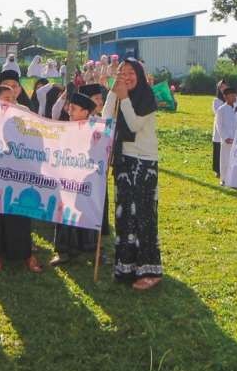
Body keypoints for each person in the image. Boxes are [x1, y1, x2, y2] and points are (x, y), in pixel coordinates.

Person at [105, 58, 162, 290]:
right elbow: (107, 116)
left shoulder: (147, 98)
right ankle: (126, 265)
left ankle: (150, 269)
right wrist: (113, 92)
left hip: (143, 162)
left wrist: (125, 98)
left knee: (143, 215)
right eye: (122, 72)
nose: (126, 77)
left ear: (139, 75)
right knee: (124, 214)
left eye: (131, 73)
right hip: (123, 160)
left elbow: (135, 124)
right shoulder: (119, 95)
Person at [0, 81, 42, 273]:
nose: (12, 102)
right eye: (7, 99)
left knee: (19, 214)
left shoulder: (23, 118)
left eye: (14, 98)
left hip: (17, 174)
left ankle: (25, 253)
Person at [51, 91, 102, 265]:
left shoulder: (96, 132)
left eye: (73, 108)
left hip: (87, 181)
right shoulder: (64, 129)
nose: (69, 111)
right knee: (64, 213)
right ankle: (63, 250)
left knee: (87, 211)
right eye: (69, 108)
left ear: (85, 112)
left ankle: (90, 248)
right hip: (66, 181)